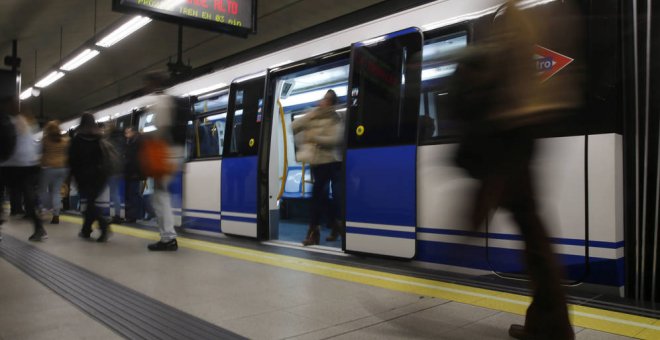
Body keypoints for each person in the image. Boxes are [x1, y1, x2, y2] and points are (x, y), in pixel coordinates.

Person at [450, 2, 578, 339]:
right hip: (519, 134)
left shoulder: (518, 18)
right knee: (532, 231)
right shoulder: (527, 18)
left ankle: (552, 326)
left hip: (510, 135)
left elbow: (507, 73)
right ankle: (549, 324)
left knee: (532, 235)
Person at [291, 90, 344, 246]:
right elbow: (293, 126)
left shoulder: (335, 118)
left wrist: (314, 137)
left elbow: (334, 140)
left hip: (330, 162)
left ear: (332, 103)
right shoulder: (314, 115)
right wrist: (312, 114)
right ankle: (336, 225)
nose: (323, 102)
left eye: (327, 100)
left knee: (317, 198)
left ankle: (314, 233)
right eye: (323, 99)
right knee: (321, 198)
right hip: (316, 162)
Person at [144, 72, 182, 251]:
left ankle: (168, 238)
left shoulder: (160, 102)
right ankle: (168, 236)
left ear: (154, 84)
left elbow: (161, 130)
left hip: (164, 153)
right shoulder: (171, 99)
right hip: (173, 152)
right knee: (161, 196)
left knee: (160, 197)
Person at [0, 107, 46, 241]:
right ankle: (39, 228)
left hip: (8, 165)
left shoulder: (6, 122)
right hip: (29, 165)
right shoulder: (30, 124)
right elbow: (36, 146)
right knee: (29, 197)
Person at [68, 113, 111, 242]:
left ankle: (103, 226)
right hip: (100, 176)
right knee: (91, 204)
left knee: (90, 204)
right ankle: (86, 230)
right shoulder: (99, 138)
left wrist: (73, 176)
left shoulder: (77, 139)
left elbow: (72, 160)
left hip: (84, 176)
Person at [39, 120, 70, 224]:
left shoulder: (45, 140)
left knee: (43, 190)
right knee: (56, 192)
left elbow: (41, 153)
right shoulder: (64, 141)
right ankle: (56, 215)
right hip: (62, 168)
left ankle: (44, 209)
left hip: (48, 168)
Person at [106, 124, 126, 224]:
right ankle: (118, 214)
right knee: (116, 193)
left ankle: (117, 215)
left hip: (112, 169)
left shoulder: (109, 141)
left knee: (113, 193)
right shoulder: (122, 139)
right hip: (120, 169)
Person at [123, 127, 143, 223]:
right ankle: (131, 215)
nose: (126, 134)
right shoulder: (129, 142)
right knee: (131, 195)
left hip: (134, 173)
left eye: (128, 132)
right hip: (129, 173)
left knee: (133, 195)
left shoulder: (136, 142)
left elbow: (134, 159)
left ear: (133, 132)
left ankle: (133, 216)